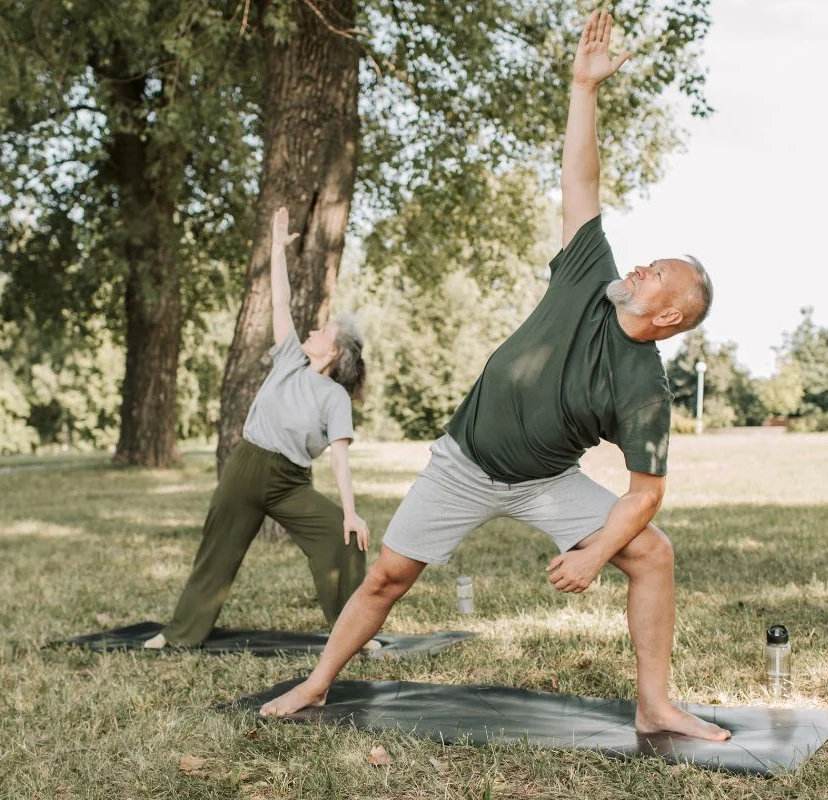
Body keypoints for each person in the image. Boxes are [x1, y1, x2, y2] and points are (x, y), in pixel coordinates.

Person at [260, 11, 729, 742]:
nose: (642, 266)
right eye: (649, 259)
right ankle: (317, 685)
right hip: (464, 461)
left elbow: (646, 494)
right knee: (387, 578)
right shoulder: (589, 274)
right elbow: (581, 175)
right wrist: (583, 87)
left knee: (652, 553)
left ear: (669, 316)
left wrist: (597, 552)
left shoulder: (643, 385)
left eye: (658, 272)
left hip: (543, 480)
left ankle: (655, 704)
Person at [144, 206, 370, 649]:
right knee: (217, 551)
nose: (312, 329)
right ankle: (180, 635)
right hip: (246, 468)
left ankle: (354, 636)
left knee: (344, 538)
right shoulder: (289, 357)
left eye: (322, 330)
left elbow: (340, 459)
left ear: (335, 351)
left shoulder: (335, 398)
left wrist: (350, 511)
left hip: (290, 483)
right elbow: (280, 300)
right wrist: (276, 248)